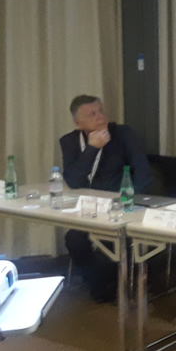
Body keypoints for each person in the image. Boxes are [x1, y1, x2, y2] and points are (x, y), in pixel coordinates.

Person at [60, 94, 152, 302]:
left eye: (101, 111)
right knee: (73, 240)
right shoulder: (69, 142)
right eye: (92, 114)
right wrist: (92, 148)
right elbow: (73, 180)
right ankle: (95, 281)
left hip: (119, 207)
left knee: (108, 245)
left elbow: (144, 173)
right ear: (78, 123)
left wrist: (129, 200)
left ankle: (101, 288)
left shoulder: (123, 134)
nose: (100, 117)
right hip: (87, 209)